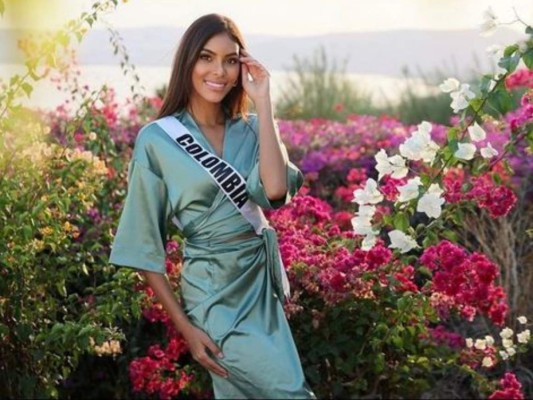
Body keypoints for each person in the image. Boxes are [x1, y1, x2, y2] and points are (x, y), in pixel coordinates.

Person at [109, 13, 316, 399]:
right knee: (289, 392)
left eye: (230, 60)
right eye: (206, 57)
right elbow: (142, 245)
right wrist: (186, 329)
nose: (218, 71)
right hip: (211, 290)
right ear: (188, 62)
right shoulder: (158, 139)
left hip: (258, 283)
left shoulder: (253, 127)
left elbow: (274, 191)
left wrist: (264, 101)